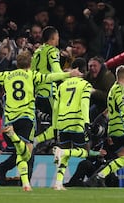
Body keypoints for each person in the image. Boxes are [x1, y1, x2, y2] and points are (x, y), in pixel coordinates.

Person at [0, 50, 82, 191]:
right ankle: (24, 181)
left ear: (17, 63)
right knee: (27, 152)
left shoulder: (7, 75)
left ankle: (24, 182)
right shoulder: (32, 75)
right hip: (26, 117)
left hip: (10, 119)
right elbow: (50, 77)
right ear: (30, 63)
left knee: (23, 152)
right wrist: (69, 74)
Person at [51, 57, 92, 190]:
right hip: (77, 122)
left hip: (62, 122)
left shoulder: (62, 85)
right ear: (83, 70)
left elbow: (56, 107)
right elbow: (84, 104)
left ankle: (58, 183)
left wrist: (55, 126)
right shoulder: (85, 85)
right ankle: (63, 152)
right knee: (85, 152)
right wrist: (86, 123)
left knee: (65, 156)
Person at [30, 26, 62, 144]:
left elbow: (32, 72)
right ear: (53, 38)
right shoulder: (53, 51)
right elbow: (57, 71)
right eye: (57, 37)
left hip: (38, 93)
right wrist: (69, 75)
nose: (58, 39)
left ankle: (39, 143)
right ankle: (37, 141)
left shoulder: (37, 51)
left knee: (42, 122)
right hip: (49, 93)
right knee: (58, 124)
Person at [85, 56, 115, 121]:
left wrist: (94, 92)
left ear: (100, 66)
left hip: (106, 106)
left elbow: (110, 96)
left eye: (95, 66)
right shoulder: (89, 75)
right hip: (94, 102)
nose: (92, 68)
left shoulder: (107, 77)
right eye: (90, 66)